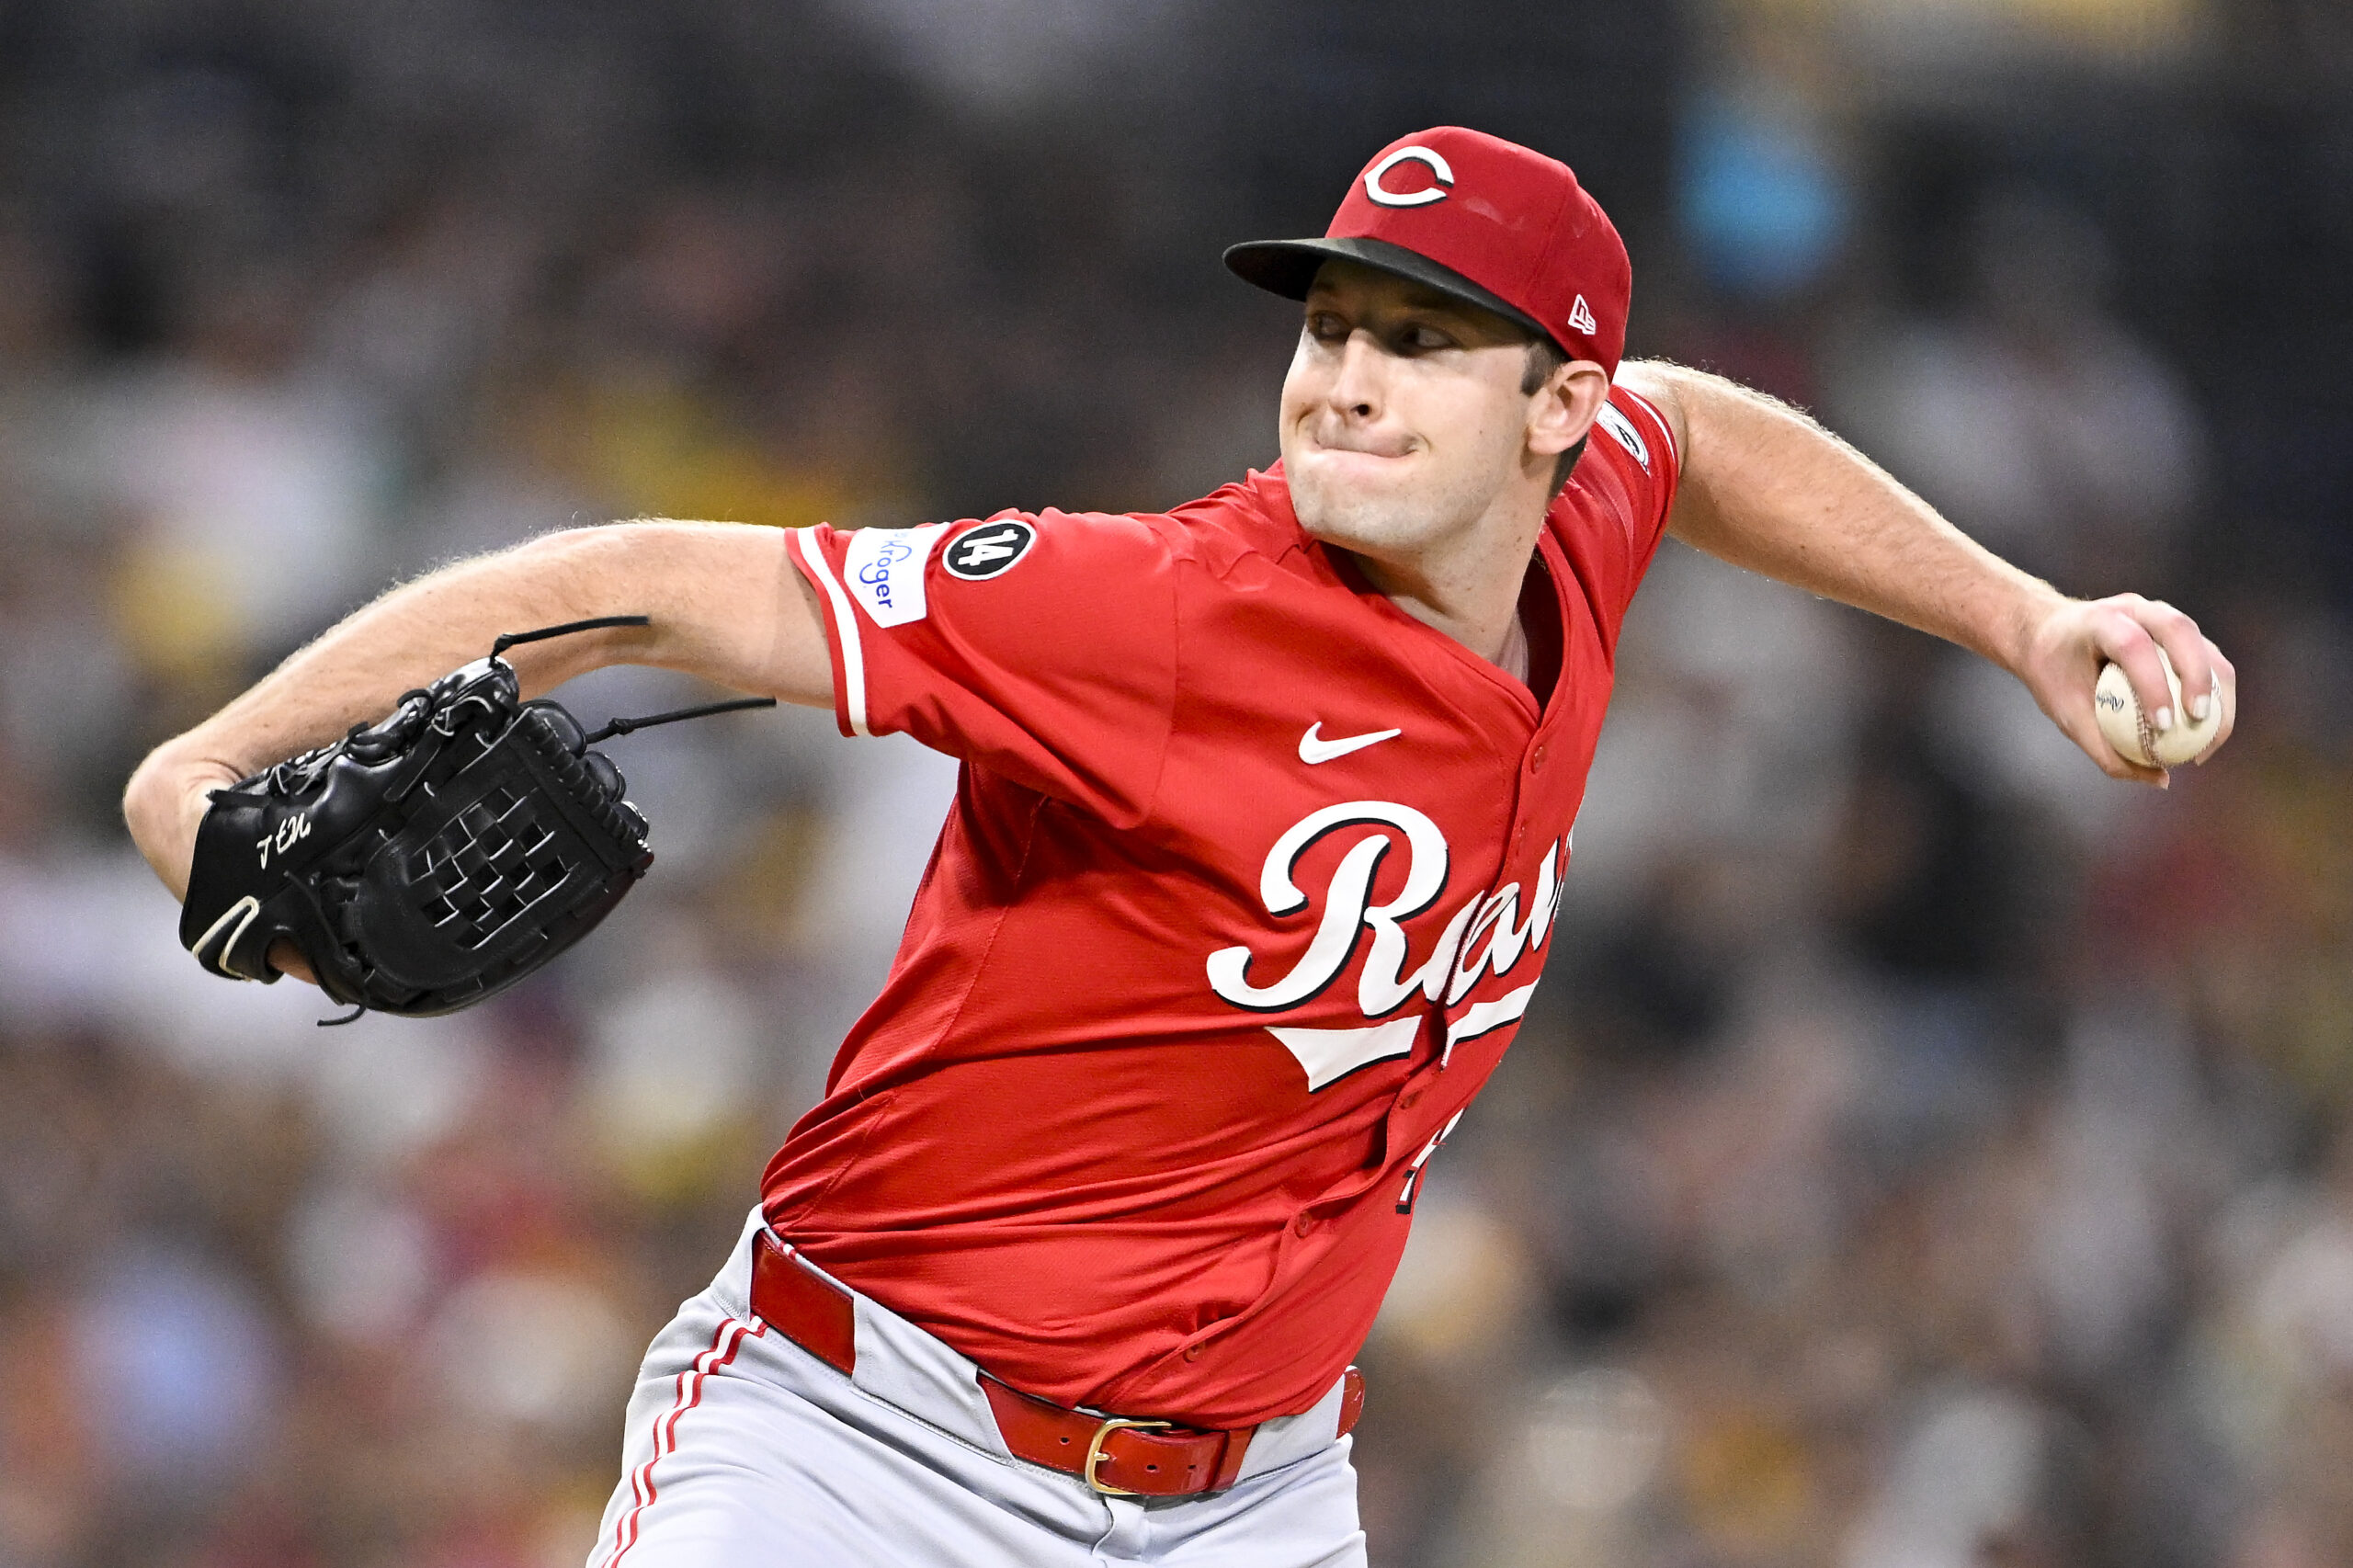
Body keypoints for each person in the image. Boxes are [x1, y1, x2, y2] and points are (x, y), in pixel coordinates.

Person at [123, 127, 2234, 1568]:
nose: (1342, 376)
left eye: (1419, 340)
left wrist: (2016, 616)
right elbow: (661, 577)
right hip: (869, 1453)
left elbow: (1697, 424)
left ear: (1546, 410)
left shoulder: (1582, 521)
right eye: (1328, 325)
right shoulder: (1140, 608)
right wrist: (205, 760)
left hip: (1251, 1499)